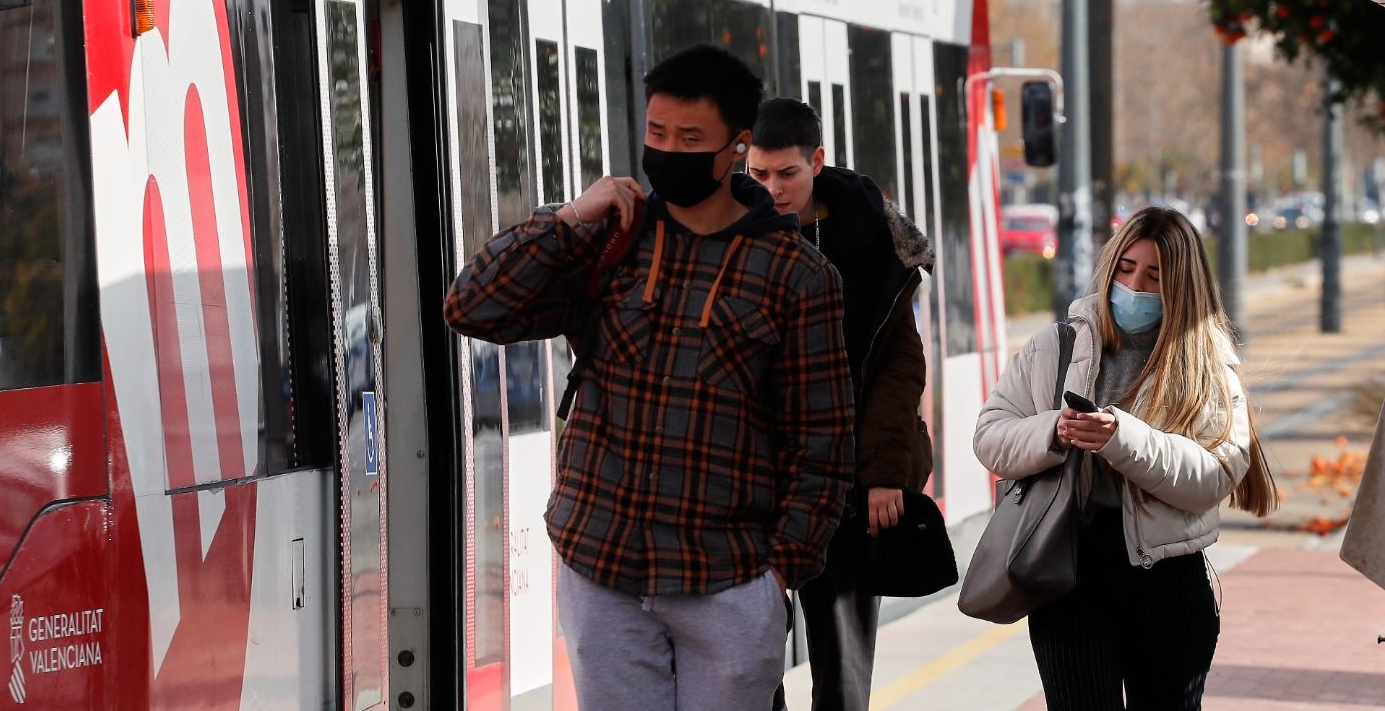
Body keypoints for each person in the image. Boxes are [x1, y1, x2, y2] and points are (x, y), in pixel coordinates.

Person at [443, 45, 854, 711]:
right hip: (601, 568)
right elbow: (472, 306)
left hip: (726, 577)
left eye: (690, 139)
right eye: (656, 134)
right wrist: (570, 215)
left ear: (735, 147)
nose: (667, 151)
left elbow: (823, 443)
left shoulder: (798, 277)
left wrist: (777, 571)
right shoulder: (611, 236)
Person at [973, 205, 1277, 710]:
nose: (1134, 286)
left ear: (1182, 285)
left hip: (1169, 581)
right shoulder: (1056, 345)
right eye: (1125, 269)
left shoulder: (1206, 363)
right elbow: (990, 435)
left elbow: (1214, 475)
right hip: (1068, 570)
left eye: (1154, 275)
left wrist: (1121, 438)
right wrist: (1055, 430)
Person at [747, 98, 935, 711]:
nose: (772, 190)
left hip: (846, 484)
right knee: (743, 663)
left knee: (843, 674)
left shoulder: (869, 238)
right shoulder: (727, 233)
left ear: (817, 162)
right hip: (752, 485)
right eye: (757, 175)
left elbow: (899, 366)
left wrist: (885, 474)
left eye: (787, 174)